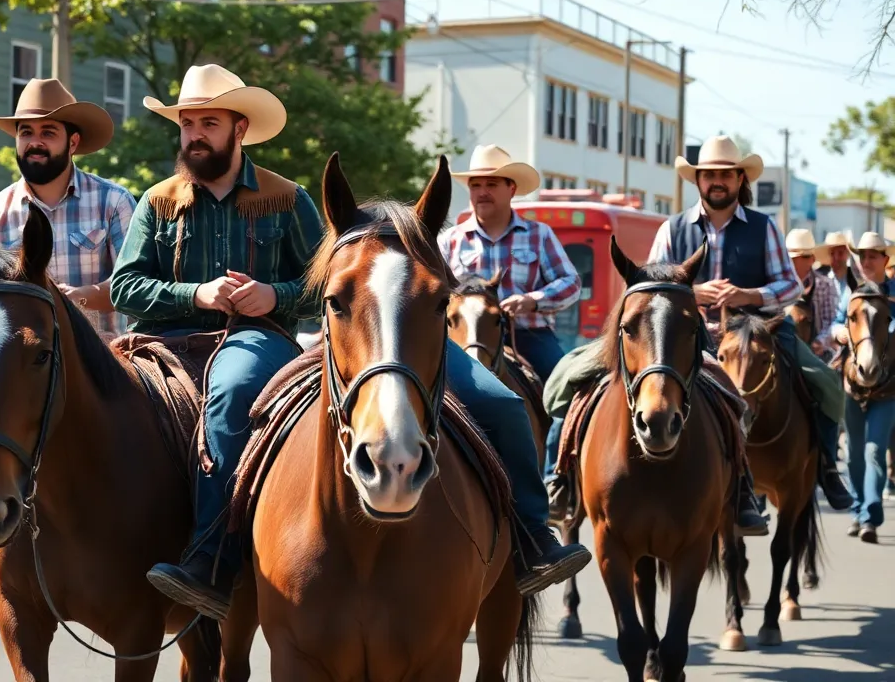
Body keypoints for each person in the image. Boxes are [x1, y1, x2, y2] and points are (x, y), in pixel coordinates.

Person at [112, 65, 591, 621]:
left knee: (505, 402)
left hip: (255, 339)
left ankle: (534, 540)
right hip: (166, 340)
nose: (194, 134)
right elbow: (125, 286)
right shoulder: (157, 202)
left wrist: (274, 295)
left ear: (238, 128)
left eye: (208, 123)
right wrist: (197, 293)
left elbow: (330, 284)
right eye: (187, 124)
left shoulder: (286, 199)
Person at [545, 136, 852, 532]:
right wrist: (691, 293)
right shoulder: (672, 228)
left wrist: (749, 294)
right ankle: (561, 478)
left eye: (725, 174)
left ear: (740, 179)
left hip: (755, 331)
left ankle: (824, 466)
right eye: (709, 175)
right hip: (681, 333)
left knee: (824, 382)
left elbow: (790, 285)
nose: (717, 181)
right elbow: (646, 288)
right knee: (572, 377)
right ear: (698, 181)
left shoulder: (764, 227)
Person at [0, 77, 134, 586]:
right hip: (24, 373)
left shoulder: (114, 203)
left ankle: (182, 532)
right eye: (25, 132)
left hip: (105, 366)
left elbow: (130, 285)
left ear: (72, 142)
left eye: (47, 132)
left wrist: (66, 303)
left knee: (162, 437)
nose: (35, 141)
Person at [438, 144, 581, 495]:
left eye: (492, 184)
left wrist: (534, 300)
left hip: (527, 335)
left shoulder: (538, 234)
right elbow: (429, 290)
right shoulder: (450, 241)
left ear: (511, 189)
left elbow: (571, 283)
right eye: (475, 185)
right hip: (462, 339)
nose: (482, 192)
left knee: (570, 389)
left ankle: (555, 479)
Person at [829, 232, 895, 543]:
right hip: (852, 384)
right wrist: (840, 333)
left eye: (873, 255)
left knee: (874, 451)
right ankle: (857, 508)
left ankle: (870, 514)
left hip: (889, 387)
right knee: (854, 453)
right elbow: (836, 322)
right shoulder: (851, 292)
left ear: (886, 259)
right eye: (863, 256)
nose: (867, 261)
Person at [785, 228, 840, 358]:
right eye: (791, 258)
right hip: (784, 349)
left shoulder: (825, 285)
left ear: (812, 259)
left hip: (817, 352)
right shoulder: (779, 284)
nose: (792, 263)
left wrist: (820, 341)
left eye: (799, 258)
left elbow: (830, 320)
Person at [815, 230, 854, 303]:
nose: (836, 258)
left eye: (840, 253)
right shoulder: (820, 280)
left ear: (847, 254)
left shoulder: (856, 280)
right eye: (832, 254)